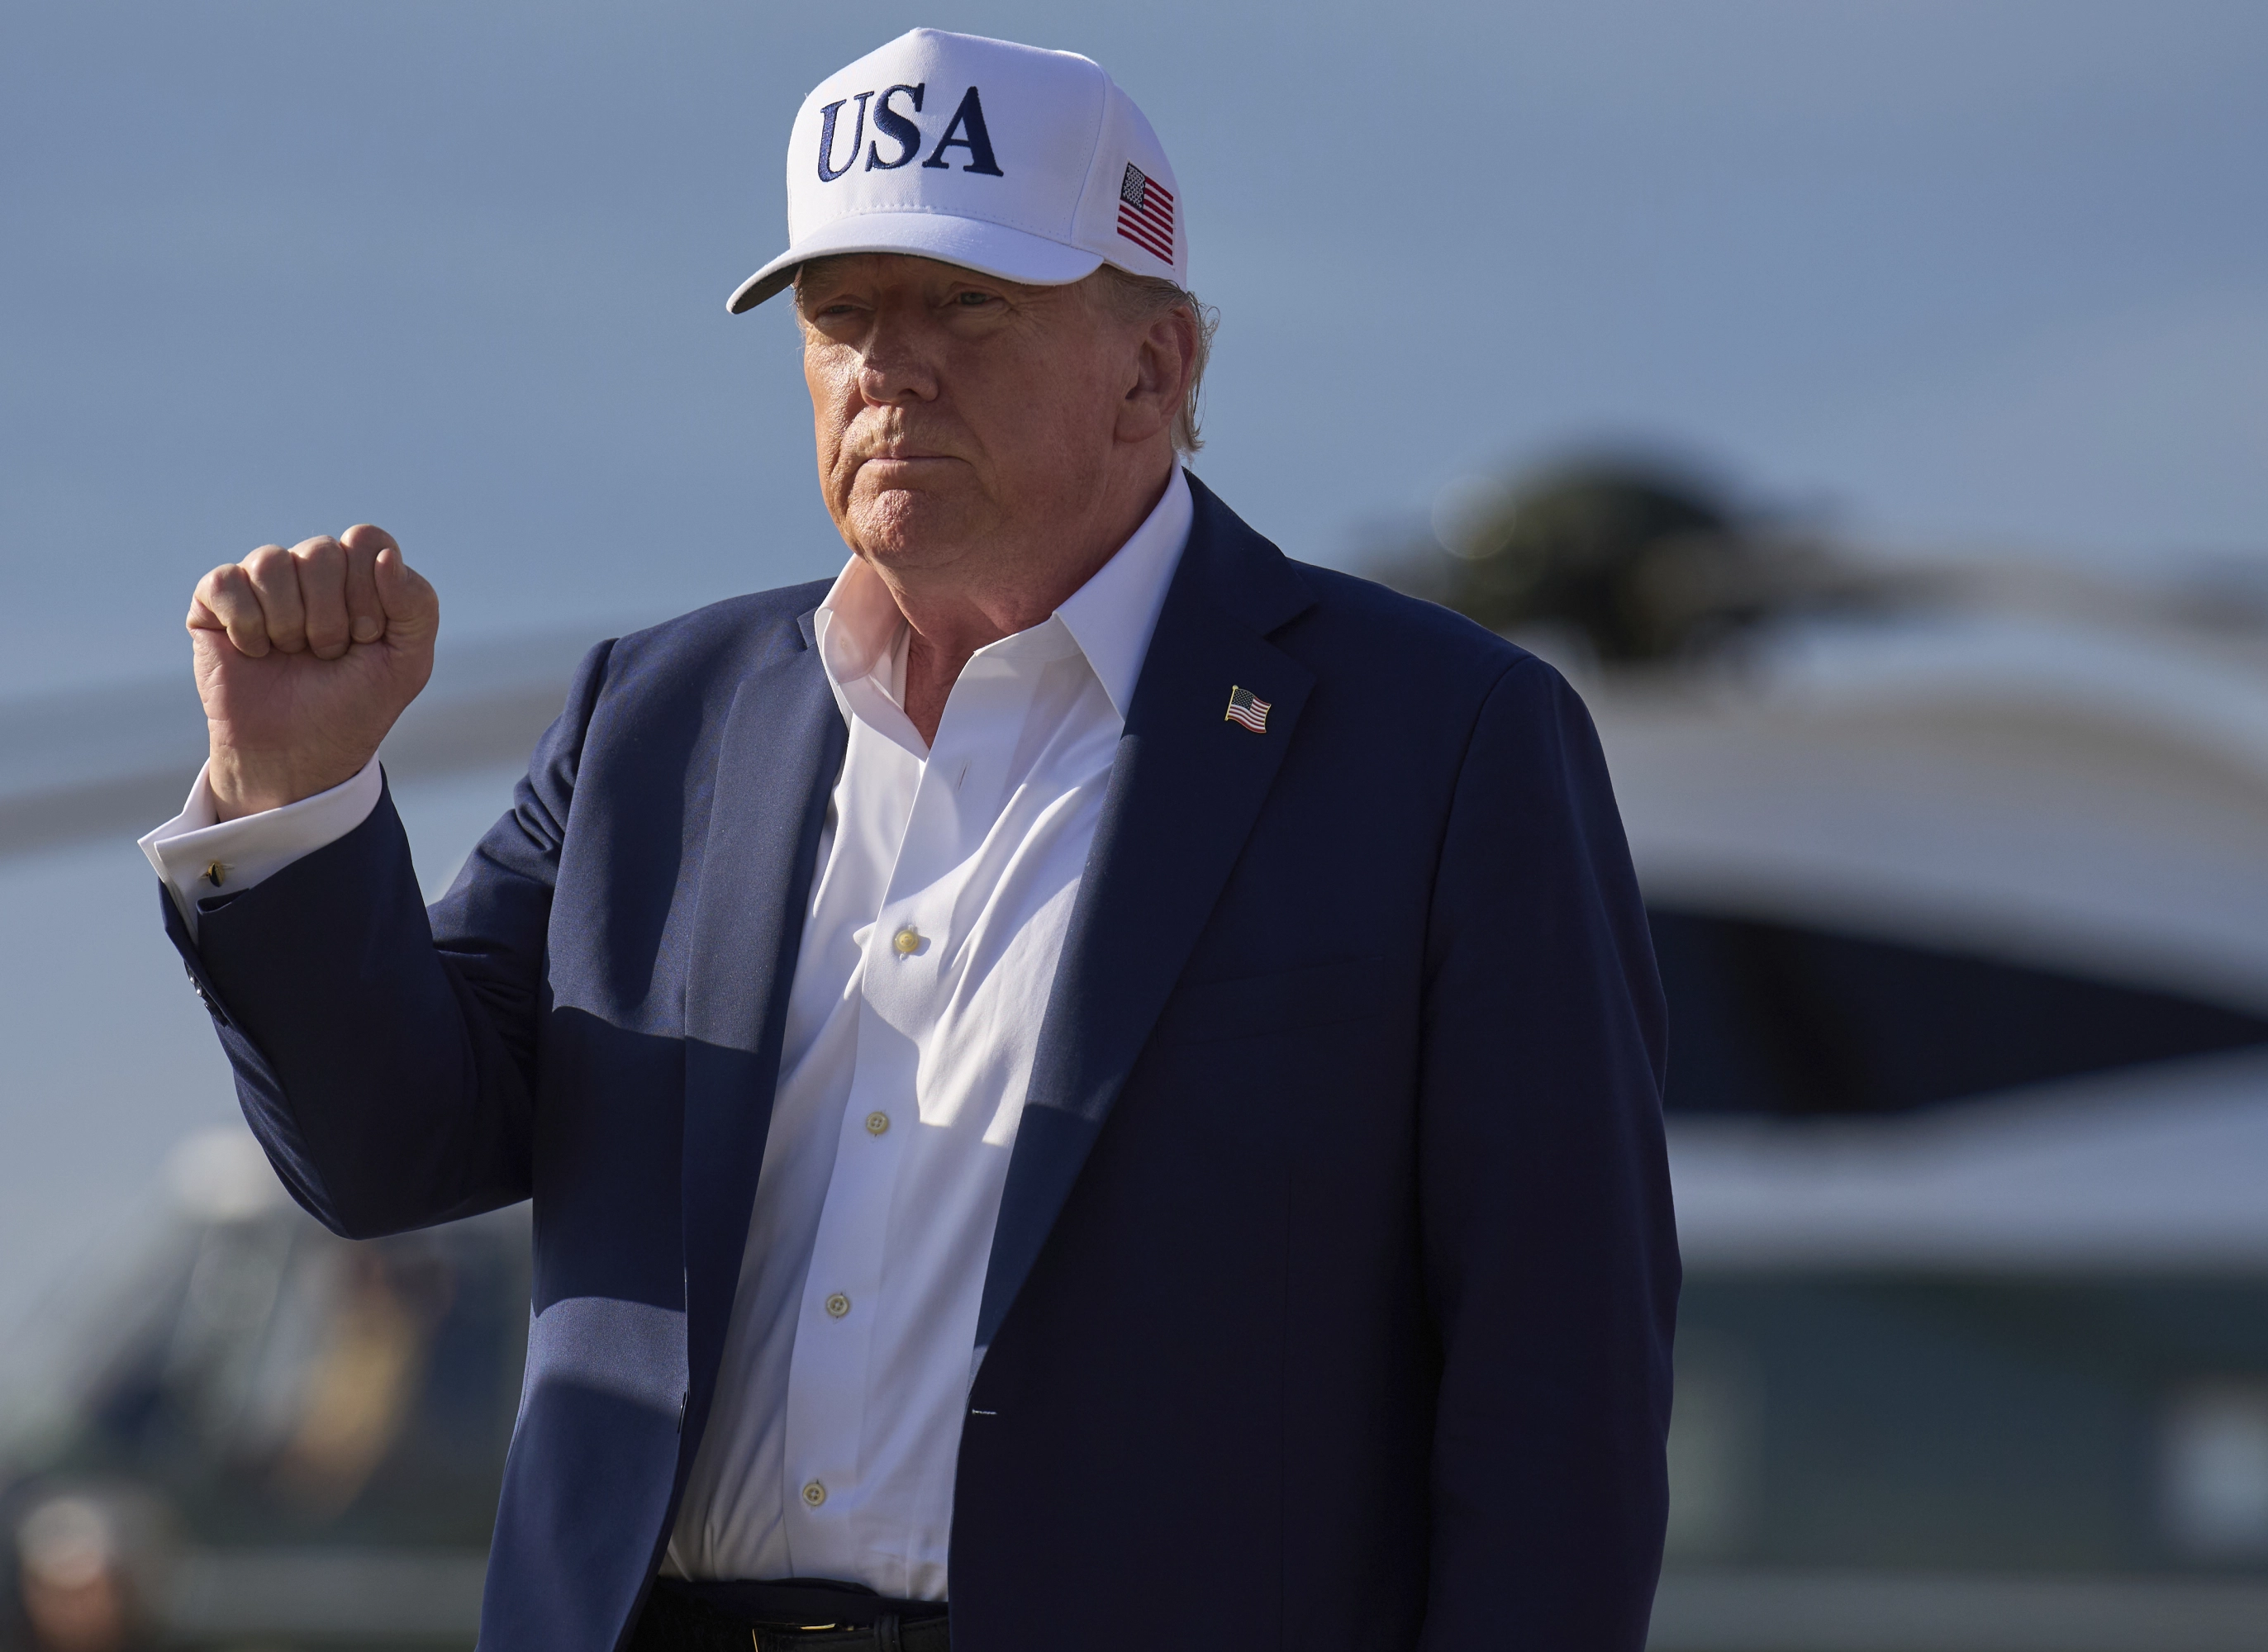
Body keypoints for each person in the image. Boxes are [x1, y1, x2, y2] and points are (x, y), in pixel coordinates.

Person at [139, 28, 1677, 1652]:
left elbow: (1556, 1385)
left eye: (971, 304)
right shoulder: (651, 720)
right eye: (841, 313)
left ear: (1159, 369)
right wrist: (287, 801)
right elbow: (388, 1152)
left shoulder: (1442, 740)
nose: (890, 363)